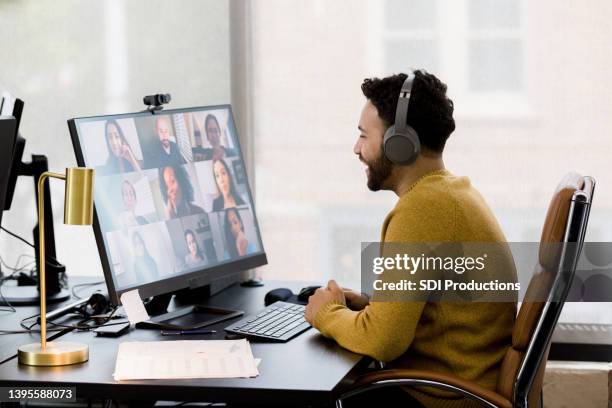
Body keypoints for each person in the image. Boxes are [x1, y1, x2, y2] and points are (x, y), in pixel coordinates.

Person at [304, 71, 517, 408]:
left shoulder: (423, 209)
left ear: (399, 142)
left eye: (363, 135)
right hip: (460, 386)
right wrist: (371, 305)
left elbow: (384, 342)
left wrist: (327, 313)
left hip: (438, 398)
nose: (356, 148)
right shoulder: (453, 193)